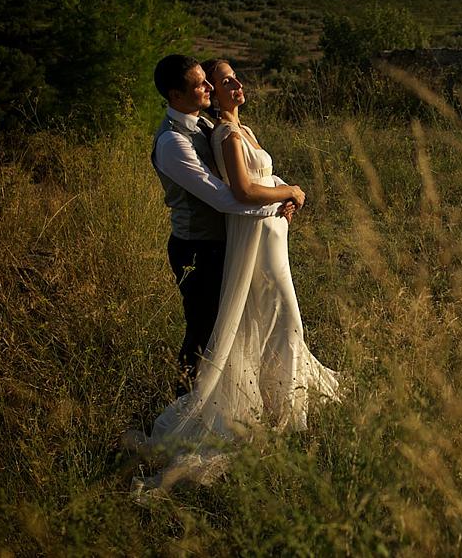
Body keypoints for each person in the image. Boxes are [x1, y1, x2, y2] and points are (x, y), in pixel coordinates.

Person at [133, 56, 340, 491]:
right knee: (206, 334)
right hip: (197, 249)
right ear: (175, 95)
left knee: (242, 327)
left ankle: (260, 401)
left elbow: (248, 178)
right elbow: (227, 198)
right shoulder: (172, 142)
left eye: (210, 82)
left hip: (237, 243)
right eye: (201, 85)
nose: (209, 89)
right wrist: (285, 197)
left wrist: (280, 198)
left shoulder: (207, 126)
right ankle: (189, 416)